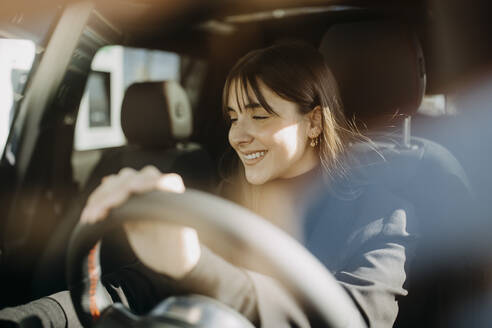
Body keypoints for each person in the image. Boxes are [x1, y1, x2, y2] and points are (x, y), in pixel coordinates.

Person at [0, 42, 418, 328]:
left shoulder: (382, 215)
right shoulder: (227, 200)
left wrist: (198, 271)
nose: (238, 134)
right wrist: (44, 316)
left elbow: (353, 318)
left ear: (312, 121)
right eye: (234, 117)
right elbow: (148, 283)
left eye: (260, 115)